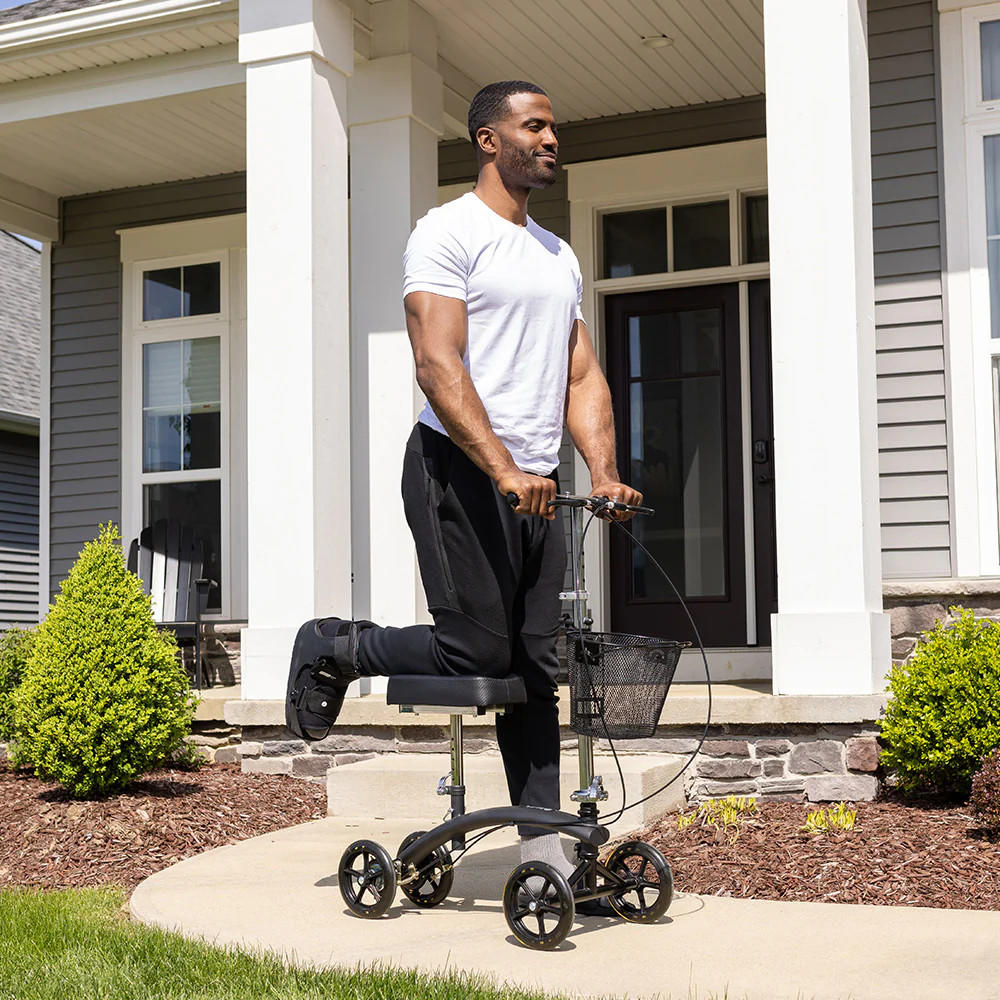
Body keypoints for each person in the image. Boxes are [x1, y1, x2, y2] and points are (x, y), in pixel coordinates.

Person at [286, 80, 641, 897]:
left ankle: (544, 852)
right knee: (476, 650)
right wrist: (504, 468)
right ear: (490, 139)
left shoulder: (559, 256)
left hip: (536, 487)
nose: (551, 139)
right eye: (535, 126)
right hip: (456, 469)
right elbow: (436, 362)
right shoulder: (446, 232)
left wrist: (607, 474)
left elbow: (581, 374)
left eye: (555, 126)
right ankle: (339, 647)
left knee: (536, 666)